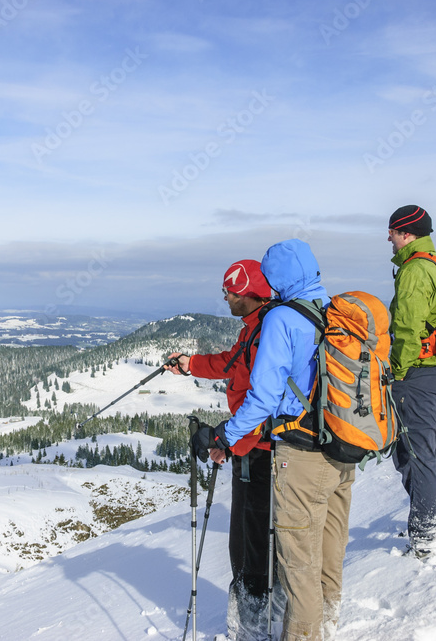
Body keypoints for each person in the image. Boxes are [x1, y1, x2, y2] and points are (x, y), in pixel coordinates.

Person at [192, 239, 355, 641]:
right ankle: (328, 621)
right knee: (328, 546)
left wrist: (225, 435)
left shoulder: (282, 318)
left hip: (300, 451)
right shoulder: (333, 309)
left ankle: (301, 634)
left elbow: (263, 396)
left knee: (296, 561)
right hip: (342, 443)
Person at [168, 259, 281, 641]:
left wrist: (226, 440)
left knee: (253, 545)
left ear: (249, 293)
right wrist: (190, 365)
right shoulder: (256, 328)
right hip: (253, 448)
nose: (226, 298)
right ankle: (258, 621)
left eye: (230, 292)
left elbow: (263, 403)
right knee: (250, 542)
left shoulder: (268, 332)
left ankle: (255, 627)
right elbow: (231, 365)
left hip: (264, 453)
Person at [386, 205, 436, 560]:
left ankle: (426, 536)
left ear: (408, 234)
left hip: (419, 374)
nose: (390, 238)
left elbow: (407, 330)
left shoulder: (415, 271)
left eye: (394, 232)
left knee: (416, 455)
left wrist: (396, 372)